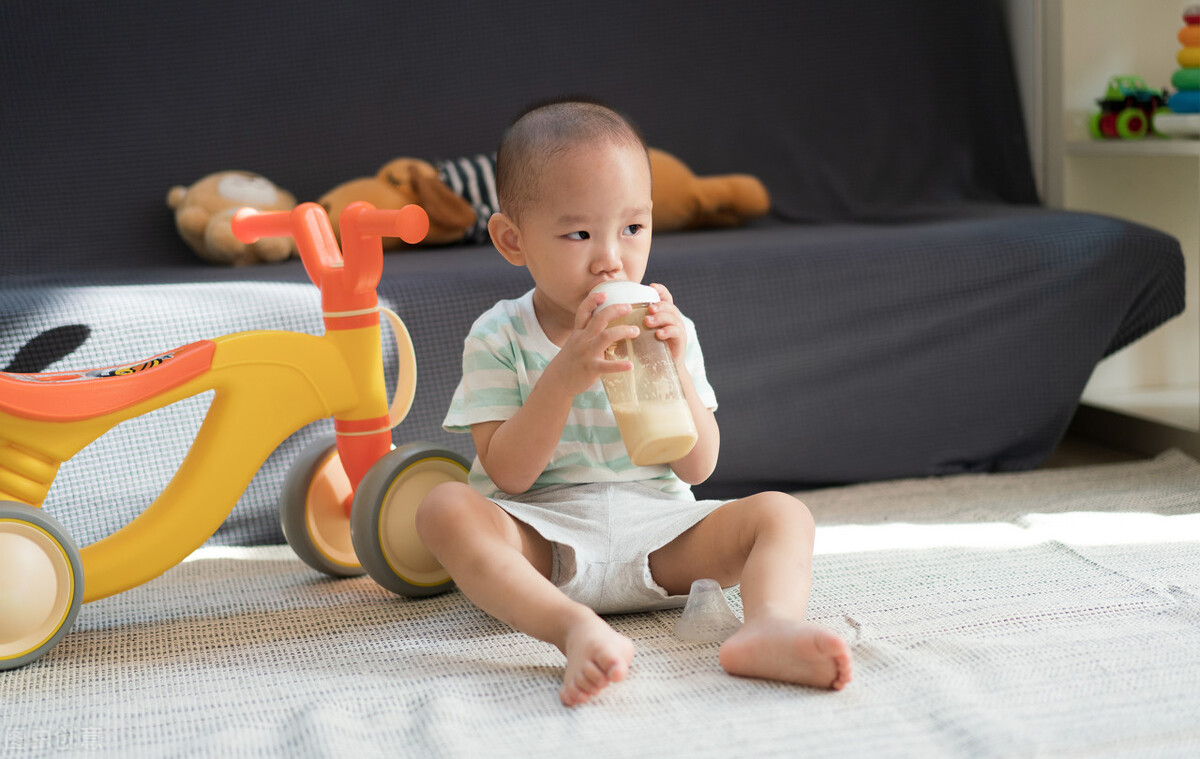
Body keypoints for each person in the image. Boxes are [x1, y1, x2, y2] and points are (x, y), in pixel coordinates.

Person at [416, 99, 852, 706]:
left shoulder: (666, 327)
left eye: (632, 228)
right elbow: (510, 475)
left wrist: (672, 363)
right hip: (548, 539)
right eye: (578, 233)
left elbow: (698, 468)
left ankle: (769, 626)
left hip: (661, 535)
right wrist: (564, 375)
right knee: (443, 508)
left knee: (783, 514)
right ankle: (573, 630)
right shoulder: (499, 336)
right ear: (513, 240)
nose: (611, 259)